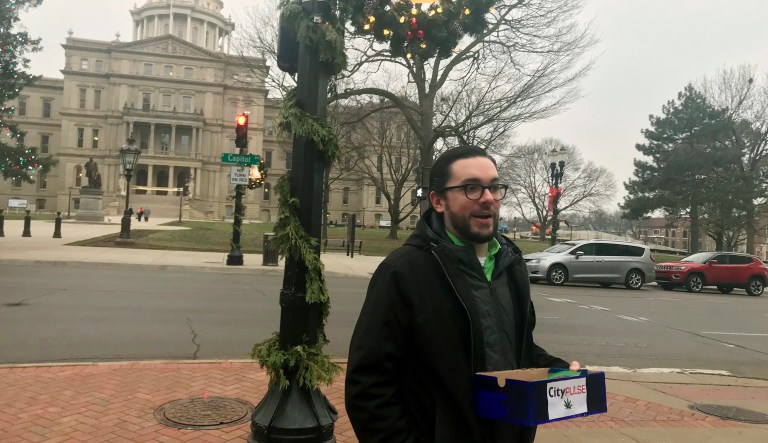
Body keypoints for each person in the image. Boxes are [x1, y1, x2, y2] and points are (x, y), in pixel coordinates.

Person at [345, 146, 579, 443]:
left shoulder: (512, 265)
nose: (488, 197)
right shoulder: (403, 270)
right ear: (438, 201)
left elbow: (515, 349)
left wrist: (554, 370)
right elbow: (368, 384)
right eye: (471, 188)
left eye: (494, 187)